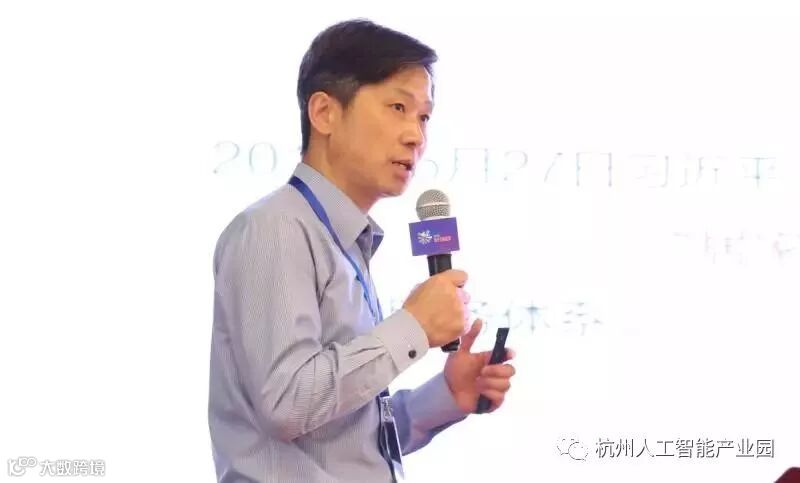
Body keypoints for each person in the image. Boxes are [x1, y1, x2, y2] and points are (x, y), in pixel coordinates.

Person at [208, 18, 516, 483]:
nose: (416, 136)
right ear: (324, 113)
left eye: (424, 117)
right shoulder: (275, 228)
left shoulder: (343, 240)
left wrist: (448, 394)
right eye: (398, 107)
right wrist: (413, 326)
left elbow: (351, 444)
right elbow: (288, 404)